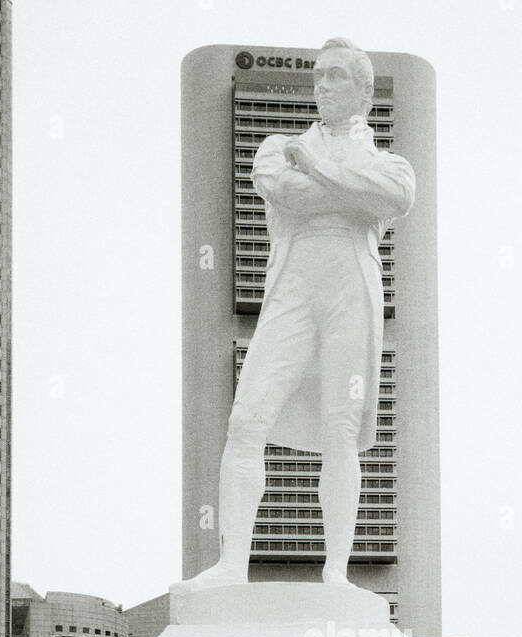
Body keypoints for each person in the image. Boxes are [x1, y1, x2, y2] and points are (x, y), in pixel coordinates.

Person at [172, 37, 415, 594]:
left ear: (365, 91)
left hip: (352, 289)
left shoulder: (392, 163)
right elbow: (287, 193)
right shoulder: (279, 145)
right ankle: (232, 564)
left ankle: (336, 572)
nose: (321, 85)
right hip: (292, 287)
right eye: (318, 76)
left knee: (341, 428)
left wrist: (321, 173)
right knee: (245, 419)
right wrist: (341, 187)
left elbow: (392, 197)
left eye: (334, 76)